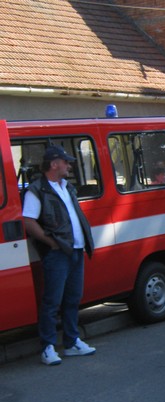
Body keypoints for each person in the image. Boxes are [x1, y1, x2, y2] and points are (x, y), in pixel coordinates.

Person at [22, 145, 96, 366]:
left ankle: (72, 342)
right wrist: (50, 242)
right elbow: (28, 220)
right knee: (52, 302)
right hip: (58, 253)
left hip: (75, 250)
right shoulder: (37, 190)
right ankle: (47, 347)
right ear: (54, 164)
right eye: (66, 162)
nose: (69, 165)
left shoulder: (67, 186)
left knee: (73, 299)